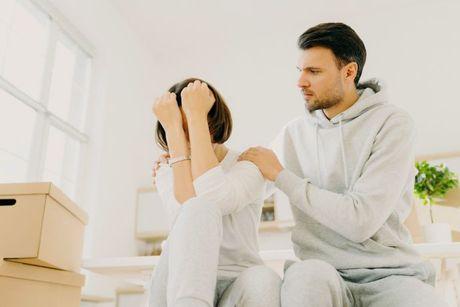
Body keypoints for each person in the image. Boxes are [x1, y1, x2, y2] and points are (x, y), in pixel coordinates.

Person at [239, 23, 447, 307]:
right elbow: (238, 185)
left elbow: (361, 221)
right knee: (305, 276)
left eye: (314, 72)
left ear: (349, 72)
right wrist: (179, 158)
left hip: (390, 277)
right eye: (299, 71)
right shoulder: (293, 133)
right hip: (321, 274)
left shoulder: (392, 124)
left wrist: (281, 177)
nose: (300, 82)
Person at [149, 78, 281, 307]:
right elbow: (189, 210)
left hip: (238, 281)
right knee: (196, 209)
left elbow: (213, 197)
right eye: (177, 127)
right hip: (179, 280)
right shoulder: (165, 169)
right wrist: (175, 139)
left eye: (191, 123)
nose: (185, 135)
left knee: (266, 278)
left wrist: (196, 115)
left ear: (211, 122)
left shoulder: (248, 164)